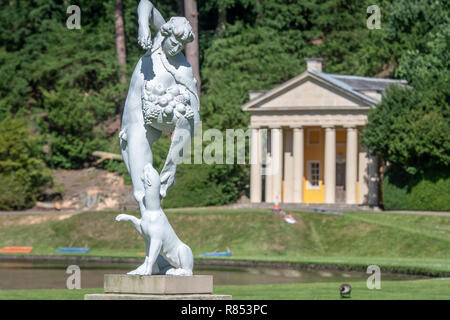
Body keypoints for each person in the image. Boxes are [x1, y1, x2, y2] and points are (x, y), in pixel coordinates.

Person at [120, 1, 199, 217]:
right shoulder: (158, 41)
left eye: (181, 46)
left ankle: (160, 248)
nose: (175, 49)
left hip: (148, 125)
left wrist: (173, 162)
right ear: (166, 34)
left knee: (143, 193)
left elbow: (194, 114)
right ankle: (159, 249)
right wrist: (143, 26)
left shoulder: (183, 68)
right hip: (132, 118)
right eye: (174, 42)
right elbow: (146, 3)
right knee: (140, 192)